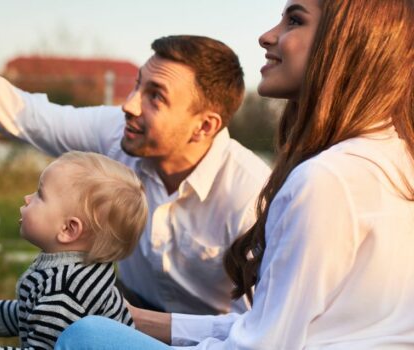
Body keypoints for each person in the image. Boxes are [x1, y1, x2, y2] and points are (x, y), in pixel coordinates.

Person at [0, 0, 271, 315]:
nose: (130, 104)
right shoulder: (117, 135)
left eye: (155, 96)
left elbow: (267, 328)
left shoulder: (250, 195)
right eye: (138, 84)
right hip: (120, 309)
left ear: (205, 125)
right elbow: (16, 109)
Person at [53, 0, 414, 348]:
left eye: (295, 20)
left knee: (86, 337)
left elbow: (264, 346)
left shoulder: (326, 180)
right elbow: (267, 325)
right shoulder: (394, 155)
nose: (266, 36)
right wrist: (136, 320)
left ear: (349, 43)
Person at [0, 151, 148, 350]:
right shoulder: (76, 269)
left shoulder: (64, 294)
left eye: (40, 195)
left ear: (68, 229)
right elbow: (33, 312)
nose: (27, 198)